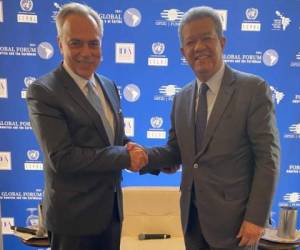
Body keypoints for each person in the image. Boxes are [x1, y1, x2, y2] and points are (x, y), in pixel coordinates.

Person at [132, 6, 280, 250]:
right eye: (190, 42)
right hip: (192, 222)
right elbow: (176, 152)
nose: (199, 47)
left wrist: (256, 218)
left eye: (206, 38)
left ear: (222, 42)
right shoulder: (181, 98)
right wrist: (142, 157)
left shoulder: (252, 89)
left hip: (237, 226)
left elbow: (268, 158)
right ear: (183, 52)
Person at [26, 3, 147, 250]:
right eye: (75, 43)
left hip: (111, 215)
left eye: (93, 43)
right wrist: (126, 156)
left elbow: (114, 141)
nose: (86, 51)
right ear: (60, 43)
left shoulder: (109, 86)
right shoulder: (44, 91)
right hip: (73, 221)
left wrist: (153, 159)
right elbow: (62, 157)